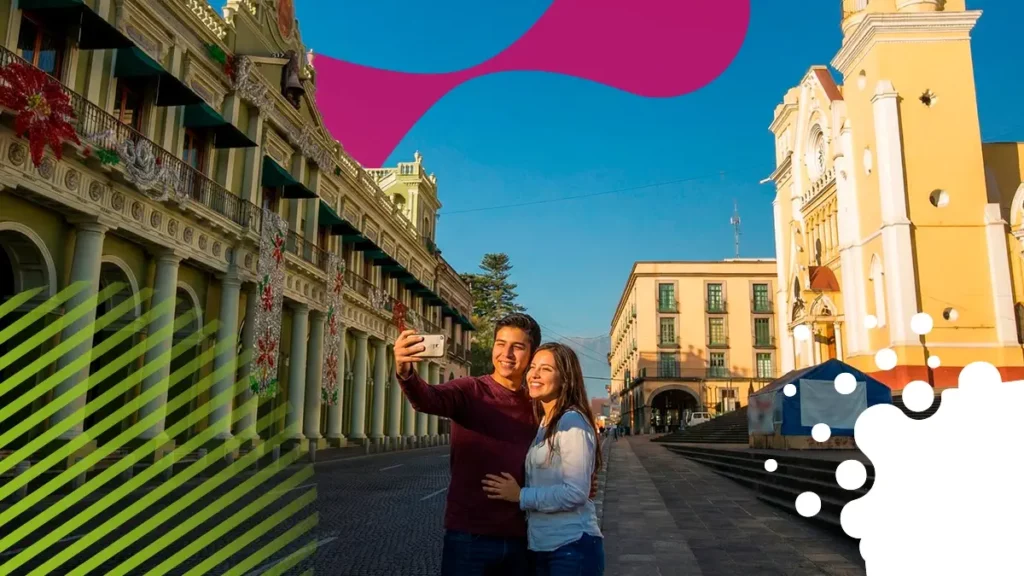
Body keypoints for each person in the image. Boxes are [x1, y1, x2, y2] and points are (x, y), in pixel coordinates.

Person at [393, 313, 542, 575]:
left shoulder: (538, 404)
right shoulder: (469, 390)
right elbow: (428, 398)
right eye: (500, 344)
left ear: (532, 354)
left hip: (522, 537)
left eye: (517, 347)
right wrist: (405, 372)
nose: (506, 354)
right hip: (469, 537)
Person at [481, 342, 605, 576]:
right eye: (533, 367)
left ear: (565, 379)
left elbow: (576, 493)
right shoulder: (545, 422)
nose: (535, 374)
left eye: (546, 369)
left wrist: (520, 495)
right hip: (545, 547)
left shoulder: (571, 422)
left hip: (570, 547)